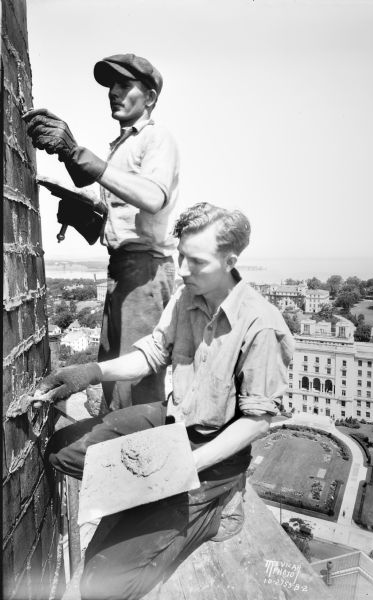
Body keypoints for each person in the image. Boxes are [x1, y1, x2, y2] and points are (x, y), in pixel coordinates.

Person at [38, 203, 294, 600]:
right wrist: (91, 372)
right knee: (62, 451)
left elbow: (257, 421)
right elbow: (152, 353)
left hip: (212, 452)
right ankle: (142, 497)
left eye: (196, 261)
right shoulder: (186, 295)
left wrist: (183, 467)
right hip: (171, 421)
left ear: (230, 261)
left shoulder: (261, 325)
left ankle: (217, 511)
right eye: (180, 256)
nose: (184, 269)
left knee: (101, 587)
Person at [24, 53, 179, 414]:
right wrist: (79, 195)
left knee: (133, 389)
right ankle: (116, 446)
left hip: (145, 273)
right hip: (123, 271)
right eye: (111, 86)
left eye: (125, 86)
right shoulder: (123, 144)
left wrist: (77, 152)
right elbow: (118, 209)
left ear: (151, 97)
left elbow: (153, 197)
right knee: (115, 384)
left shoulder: (156, 139)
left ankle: (133, 459)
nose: (114, 92)